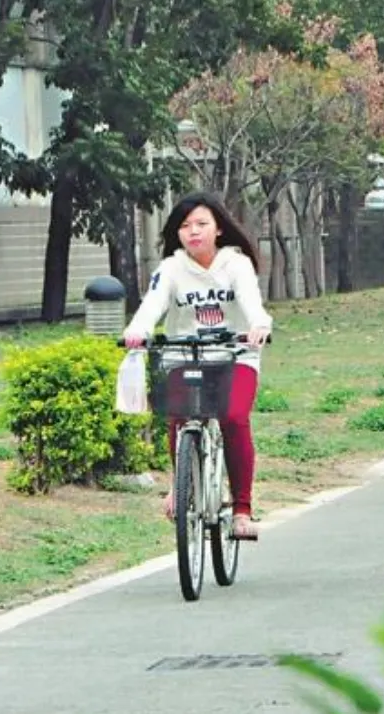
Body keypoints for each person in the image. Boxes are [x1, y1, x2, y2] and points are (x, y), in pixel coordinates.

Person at [122, 191, 273, 541]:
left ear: (218, 229)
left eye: (202, 224)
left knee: (233, 418)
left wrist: (259, 326)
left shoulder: (236, 264)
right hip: (185, 353)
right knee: (180, 418)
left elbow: (251, 301)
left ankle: (242, 510)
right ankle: (181, 486)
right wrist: (138, 331)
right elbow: (152, 304)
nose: (193, 231)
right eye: (185, 226)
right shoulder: (171, 268)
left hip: (235, 354)